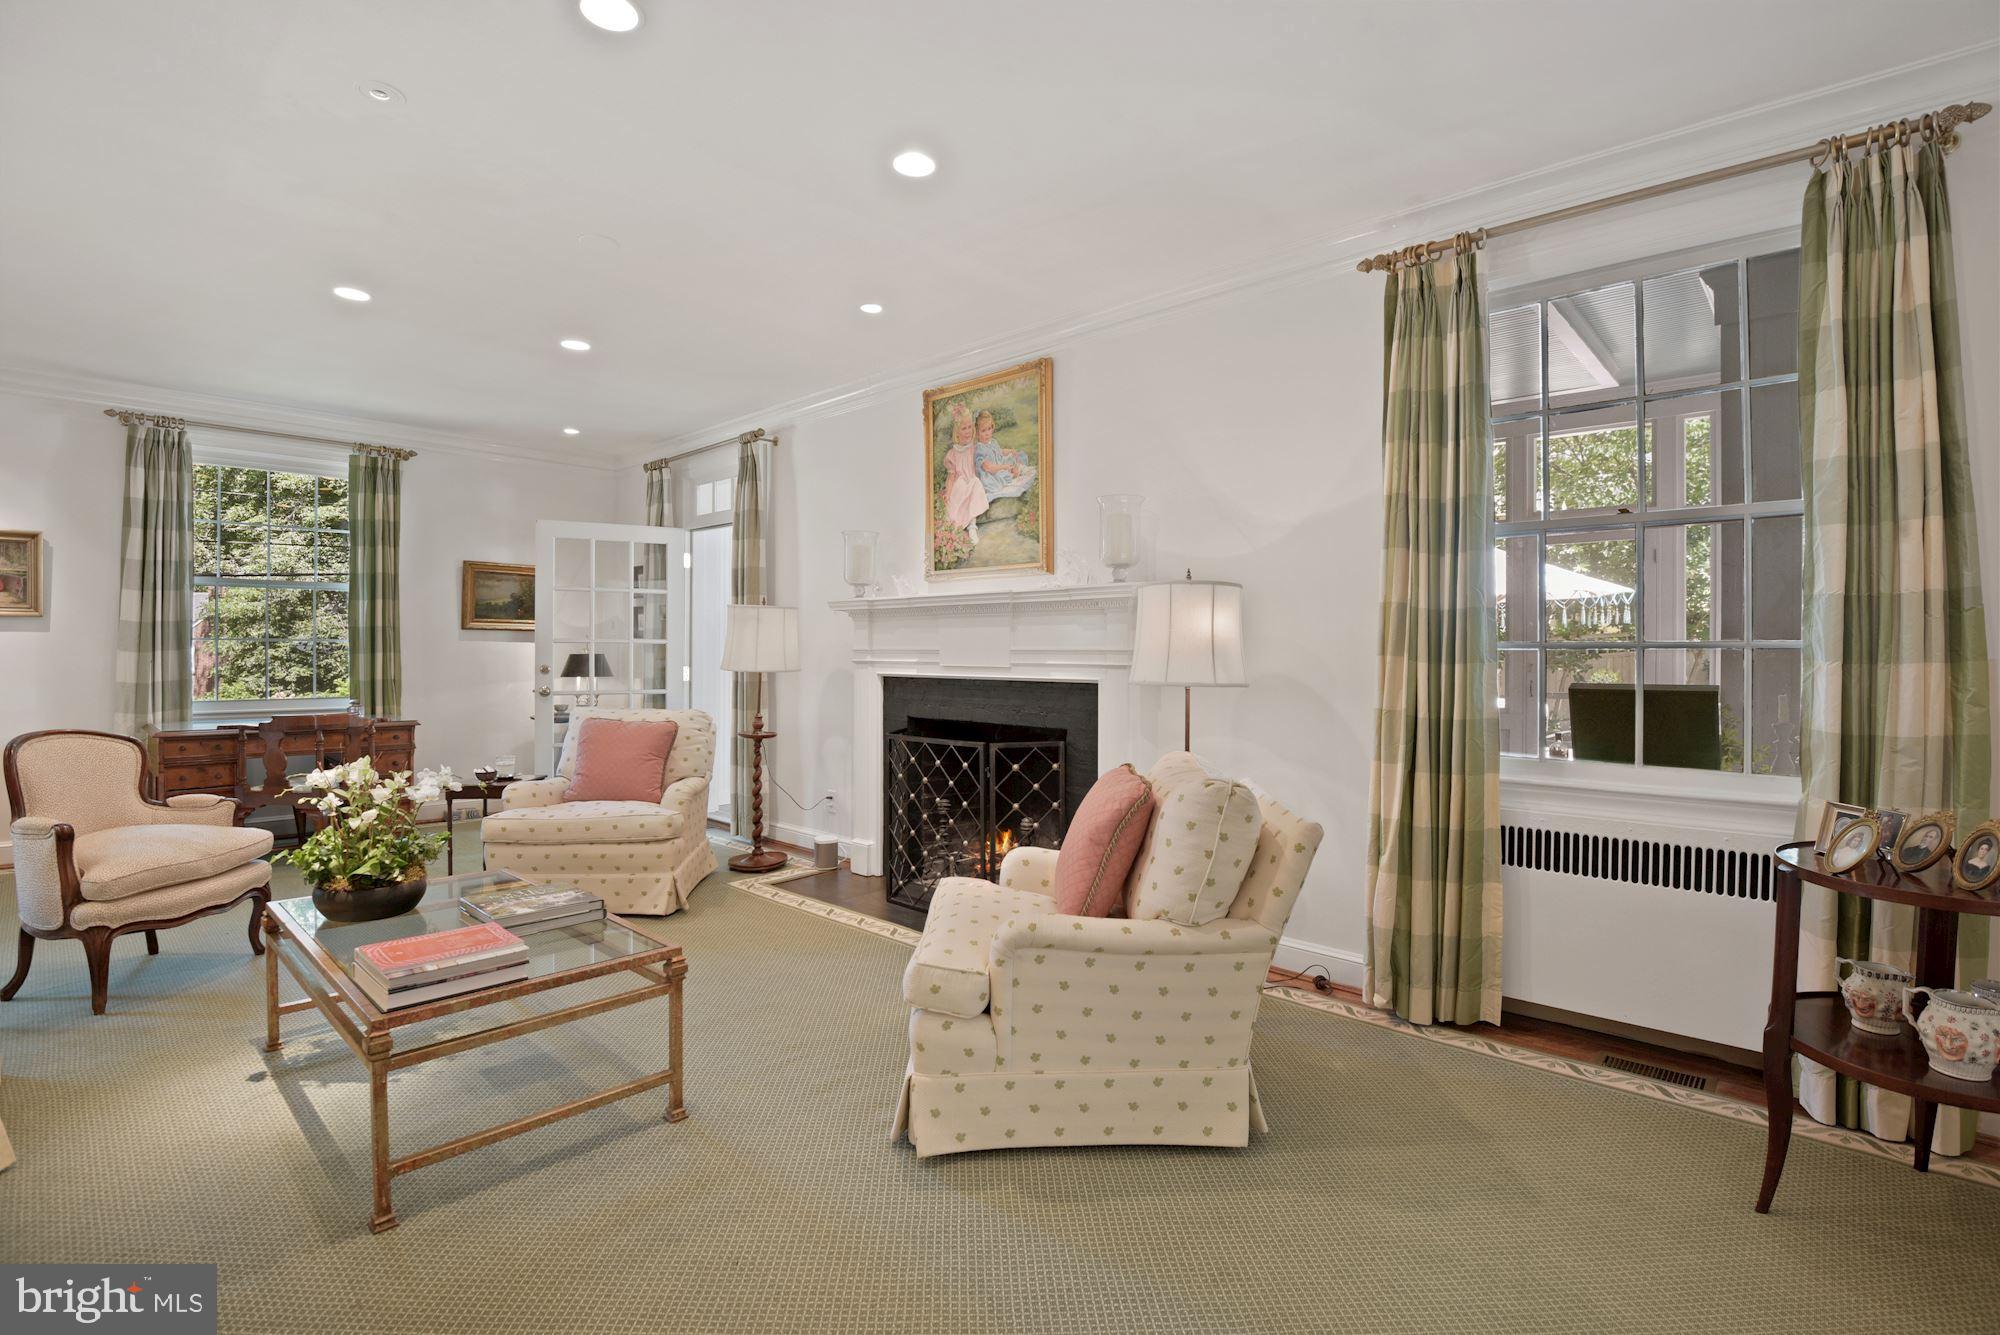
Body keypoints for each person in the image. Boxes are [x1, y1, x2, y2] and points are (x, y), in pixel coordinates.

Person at [941, 404, 987, 542]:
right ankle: (958, 525)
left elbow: (982, 463)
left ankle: (972, 526)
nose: (968, 431)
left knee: (975, 483)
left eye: (969, 427)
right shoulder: (952, 454)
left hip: (972, 480)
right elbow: (951, 477)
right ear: (957, 432)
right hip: (960, 484)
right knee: (960, 486)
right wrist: (948, 493)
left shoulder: (974, 448)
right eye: (964, 428)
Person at [973, 409, 1036, 501]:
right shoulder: (979, 448)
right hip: (991, 473)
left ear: (992, 427)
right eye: (983, 431)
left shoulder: (993, 442)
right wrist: (1003, 467)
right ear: (977, 433)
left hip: (999, 465)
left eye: (989, 429)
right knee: (998, 480)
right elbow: (988, 467)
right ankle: (1012, 475)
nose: (987, 433)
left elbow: (999, 451)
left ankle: (1014, 471)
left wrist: (1010, 451)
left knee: (1012, 459)